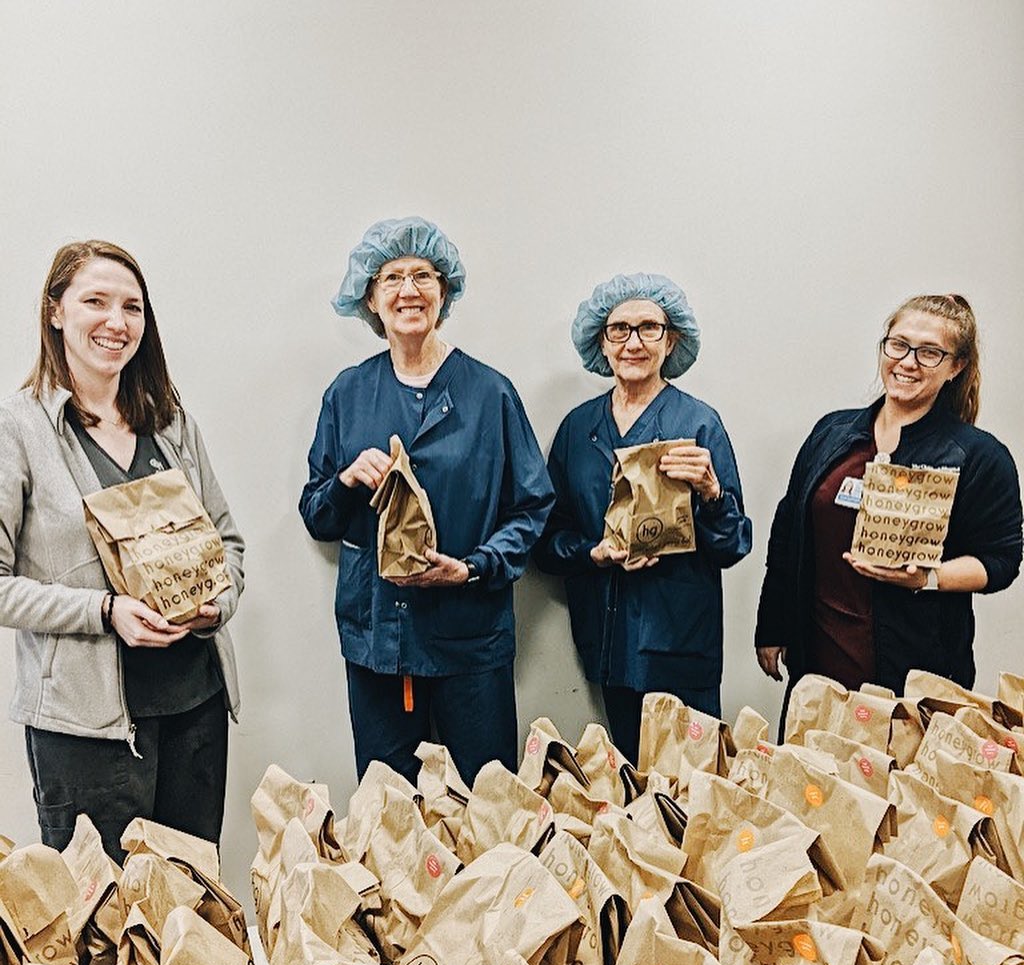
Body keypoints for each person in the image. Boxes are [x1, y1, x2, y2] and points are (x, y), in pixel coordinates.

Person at [0, 240, 244, 862]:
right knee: (106, 933)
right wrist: (105, 612)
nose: (117, 322)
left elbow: (229, 541)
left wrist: (219, 601)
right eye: (96, 302)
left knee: (192, 915)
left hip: (195, 709)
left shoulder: (171, 423)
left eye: (132, 307)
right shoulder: (18, 431)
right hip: (87, 733)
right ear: (56, 312)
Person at [299, 217, 553, 786]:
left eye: (422, 276)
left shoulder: (490, 394)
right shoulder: (348, 394)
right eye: (391, 278)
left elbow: (533, 507)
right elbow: (316, 514)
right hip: (377, 644)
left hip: (470, 642)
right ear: (370, 297)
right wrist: (344, 482)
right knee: (388, 817)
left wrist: (471, 568)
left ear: (445, 292)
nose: (407, 290)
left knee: (487, 808)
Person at [755, 294, 1022, 723]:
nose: (908, 362)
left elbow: (1002, 560)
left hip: (915, 677)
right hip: (818, 670)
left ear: (956, 366)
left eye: (929, 352)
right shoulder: (832, 433)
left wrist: (927, 578)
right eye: (897, 345)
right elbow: (788, 532)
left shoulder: (979, 456)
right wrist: (772, 626)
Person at [535, 273, 751, 764]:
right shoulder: (578, 430)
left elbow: (734, 544)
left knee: (693, 793)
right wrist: (593, 552)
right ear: (602, 344)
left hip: (680, 644)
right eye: (619, 330)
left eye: (649, 328)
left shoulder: (698, 424)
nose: (633, 343)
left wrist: (712, 492)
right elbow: (547, 540)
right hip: (609, 649)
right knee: (632, 785)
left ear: (671, 340)